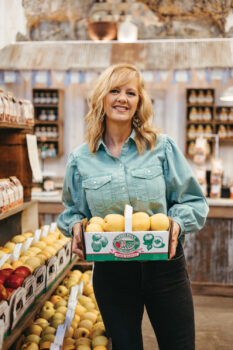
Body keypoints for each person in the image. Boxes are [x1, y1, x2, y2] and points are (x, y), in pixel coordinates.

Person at [57, 63, 209, 350]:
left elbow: (193, 200)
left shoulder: (161, 147)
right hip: (112, 272)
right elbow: (72, 211)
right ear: (102, 97)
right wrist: (76, 226)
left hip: (164, 267)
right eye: (114, 90)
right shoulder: (81, 159)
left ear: (140, 102)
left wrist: (176, 222)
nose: (122, 99)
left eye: (131, 93)